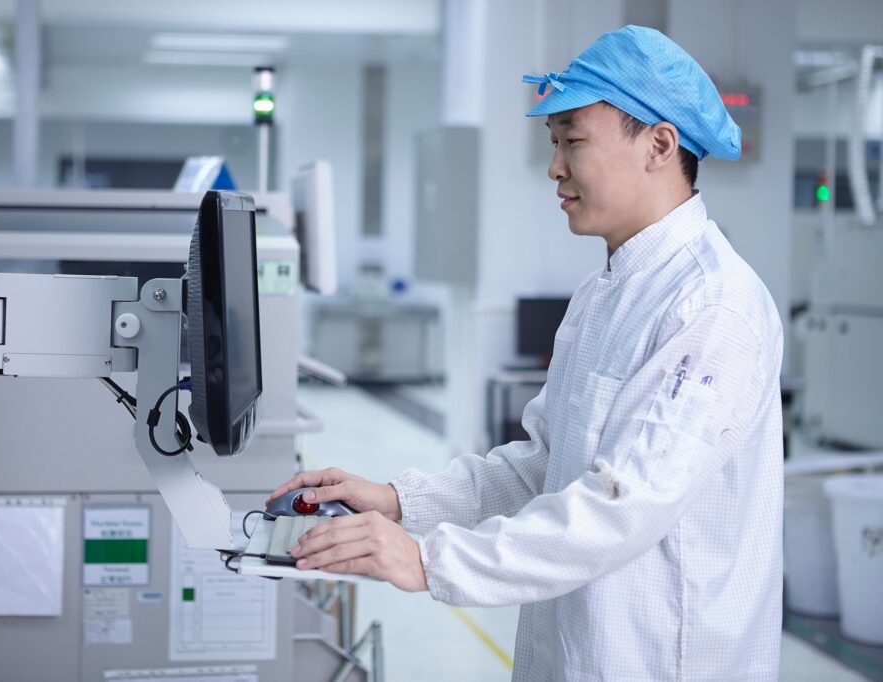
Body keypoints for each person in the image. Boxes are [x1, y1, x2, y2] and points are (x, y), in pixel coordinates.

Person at [268, 25, 783, 681]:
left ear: (659, 145)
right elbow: (541, 468)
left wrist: (427, 560)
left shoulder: (712, 307)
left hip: (664, 661)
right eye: (554, 143)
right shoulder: (604, 293)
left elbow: (621, 506)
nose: (555, 167)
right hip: (574, 653)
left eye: (573, 141)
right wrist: (398, 500)